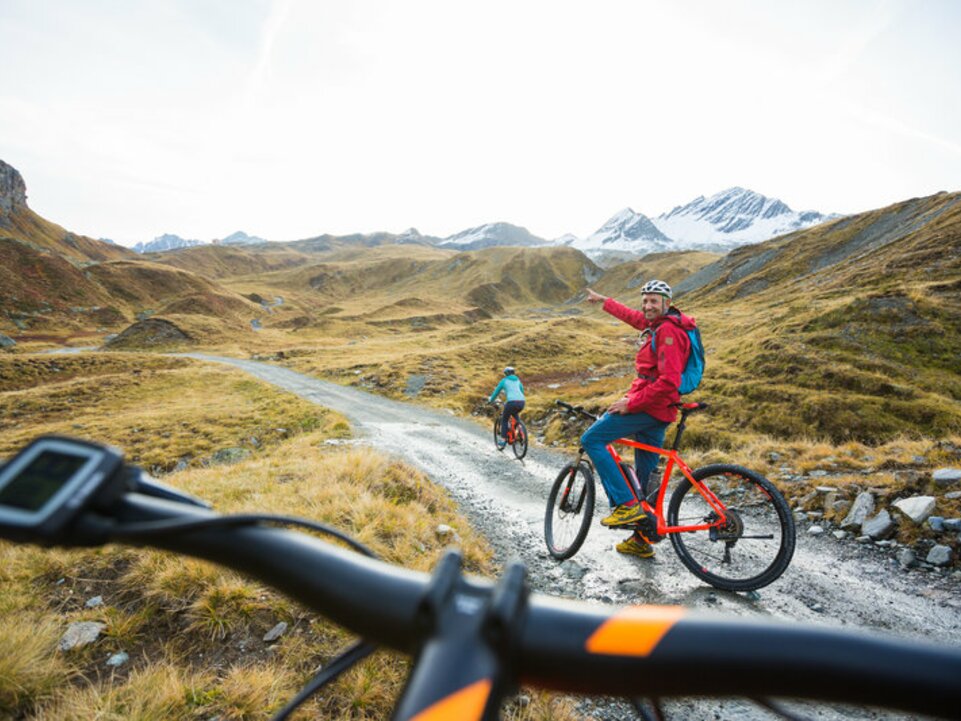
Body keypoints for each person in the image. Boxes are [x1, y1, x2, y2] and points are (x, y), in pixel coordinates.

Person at [582, 280, 697, 559]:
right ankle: (642, 539)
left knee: (592, 439)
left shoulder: (668, 332)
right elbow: (636, 318)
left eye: (653, 301)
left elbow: (669, 382)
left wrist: (631, 403)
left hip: (650, 407)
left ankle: (625, 505)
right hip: (658, 410)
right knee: (646, 479)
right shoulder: (660, 324)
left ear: (666, 304)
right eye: (645, 300)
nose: (647, 306)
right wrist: (604, 301)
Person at [489, 366, 525, 449]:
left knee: (504, 419)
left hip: (511, 402)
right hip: (521, 402)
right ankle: (522, 433)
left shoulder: (504, 381)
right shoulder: (518, 381)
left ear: (506, 374)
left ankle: (503, 439)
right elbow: (521, 392)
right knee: (516, 417)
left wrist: (491, 400)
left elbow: (496, 392)